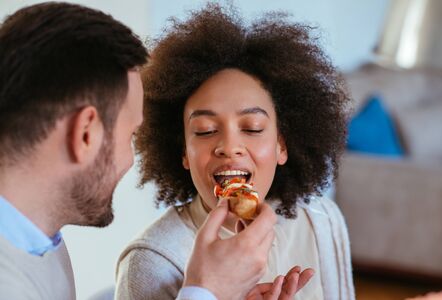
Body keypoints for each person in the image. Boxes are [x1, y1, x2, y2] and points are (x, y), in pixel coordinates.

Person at [0, 3, 281, 299]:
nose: (130, 161)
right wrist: (205, 291)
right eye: (130, 135)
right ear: (85, 133)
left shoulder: (38, 242)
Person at [116, 3, 355, 300]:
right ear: (184, 153)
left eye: (252, 127)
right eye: (204, 130)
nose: (229, 147)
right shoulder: (153, 263)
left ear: (282, 145)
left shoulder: (322, 220)